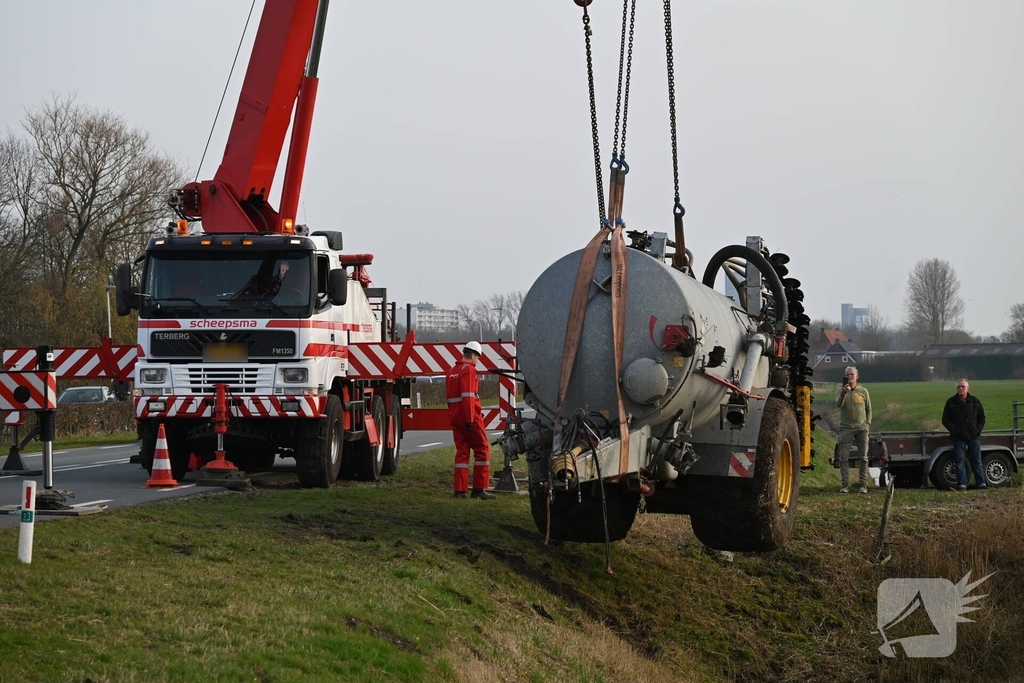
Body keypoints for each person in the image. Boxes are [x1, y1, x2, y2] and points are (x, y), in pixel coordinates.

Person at [445, 341, 495, 500]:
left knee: (462, 452)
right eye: (478, 358)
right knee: (482, 449)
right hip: (470, 417)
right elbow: (468, 396)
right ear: (473, 355)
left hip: (455, 418)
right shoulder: (469, 370)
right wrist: (470, 419)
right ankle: (479, 489)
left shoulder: (452, 371)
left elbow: (450, 398)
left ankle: (460, 491)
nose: (477, 362)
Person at [941, 378, 986, 491]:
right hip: (958, 437)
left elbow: (982, 417)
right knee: (960, 461)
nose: (961, 388)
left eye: (963, 386)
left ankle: (981, 483)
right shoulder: (951, 402)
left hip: (973, 436)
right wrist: (954, 430)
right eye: (959, 387)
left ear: (968, 388)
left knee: (977, 461)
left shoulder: (975, 401)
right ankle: (962, 485)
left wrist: (978, 430)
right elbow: (945, 419)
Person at [836, 366, 872, 494]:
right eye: (847, 374)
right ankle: (845, 485)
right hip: (846, 428)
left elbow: (869, 408)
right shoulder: (841, 391)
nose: (850, 377)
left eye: (852, 374)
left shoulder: (863, 391)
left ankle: (863, 485)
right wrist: (843, 393)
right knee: (844, 458)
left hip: (861, 428)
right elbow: (838, 404)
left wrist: (868, 423)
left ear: (857, 376)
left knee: (863, 458)